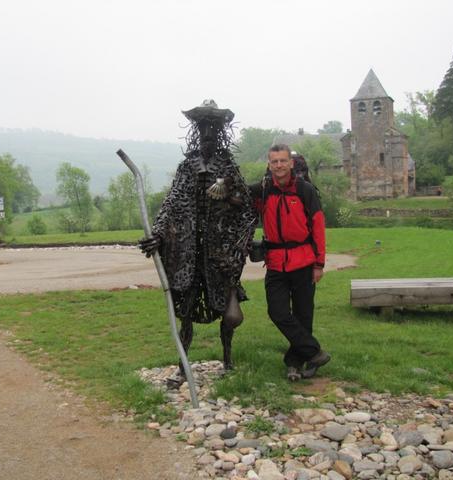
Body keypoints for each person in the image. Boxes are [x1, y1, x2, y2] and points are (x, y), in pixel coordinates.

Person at [138, 100, 257, 378]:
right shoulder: (187, 166)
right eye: (203, 128)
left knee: (227, 309)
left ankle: (227, 359)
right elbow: (172, 202)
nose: (207, 134)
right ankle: (183, 366)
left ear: (220, 132)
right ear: (197, 130)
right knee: (187, 310)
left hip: (218, 252)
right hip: (189, 251)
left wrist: (230, 199)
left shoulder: (227, 166)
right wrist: (158, 233)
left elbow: (245, 207)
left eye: (212, 128)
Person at [249, 144, 330, 381]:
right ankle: (315, 352)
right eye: (274, 162)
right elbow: (239, 196)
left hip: (304, 262)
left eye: (283, 161)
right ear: (269, 164)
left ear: (291, 163)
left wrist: (319, 264)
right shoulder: (264, 191)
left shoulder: (305, 190)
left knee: (304, 315)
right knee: (278, 312)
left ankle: (295, 363)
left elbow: (318, 226)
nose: (279, 166)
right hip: (275, 264)